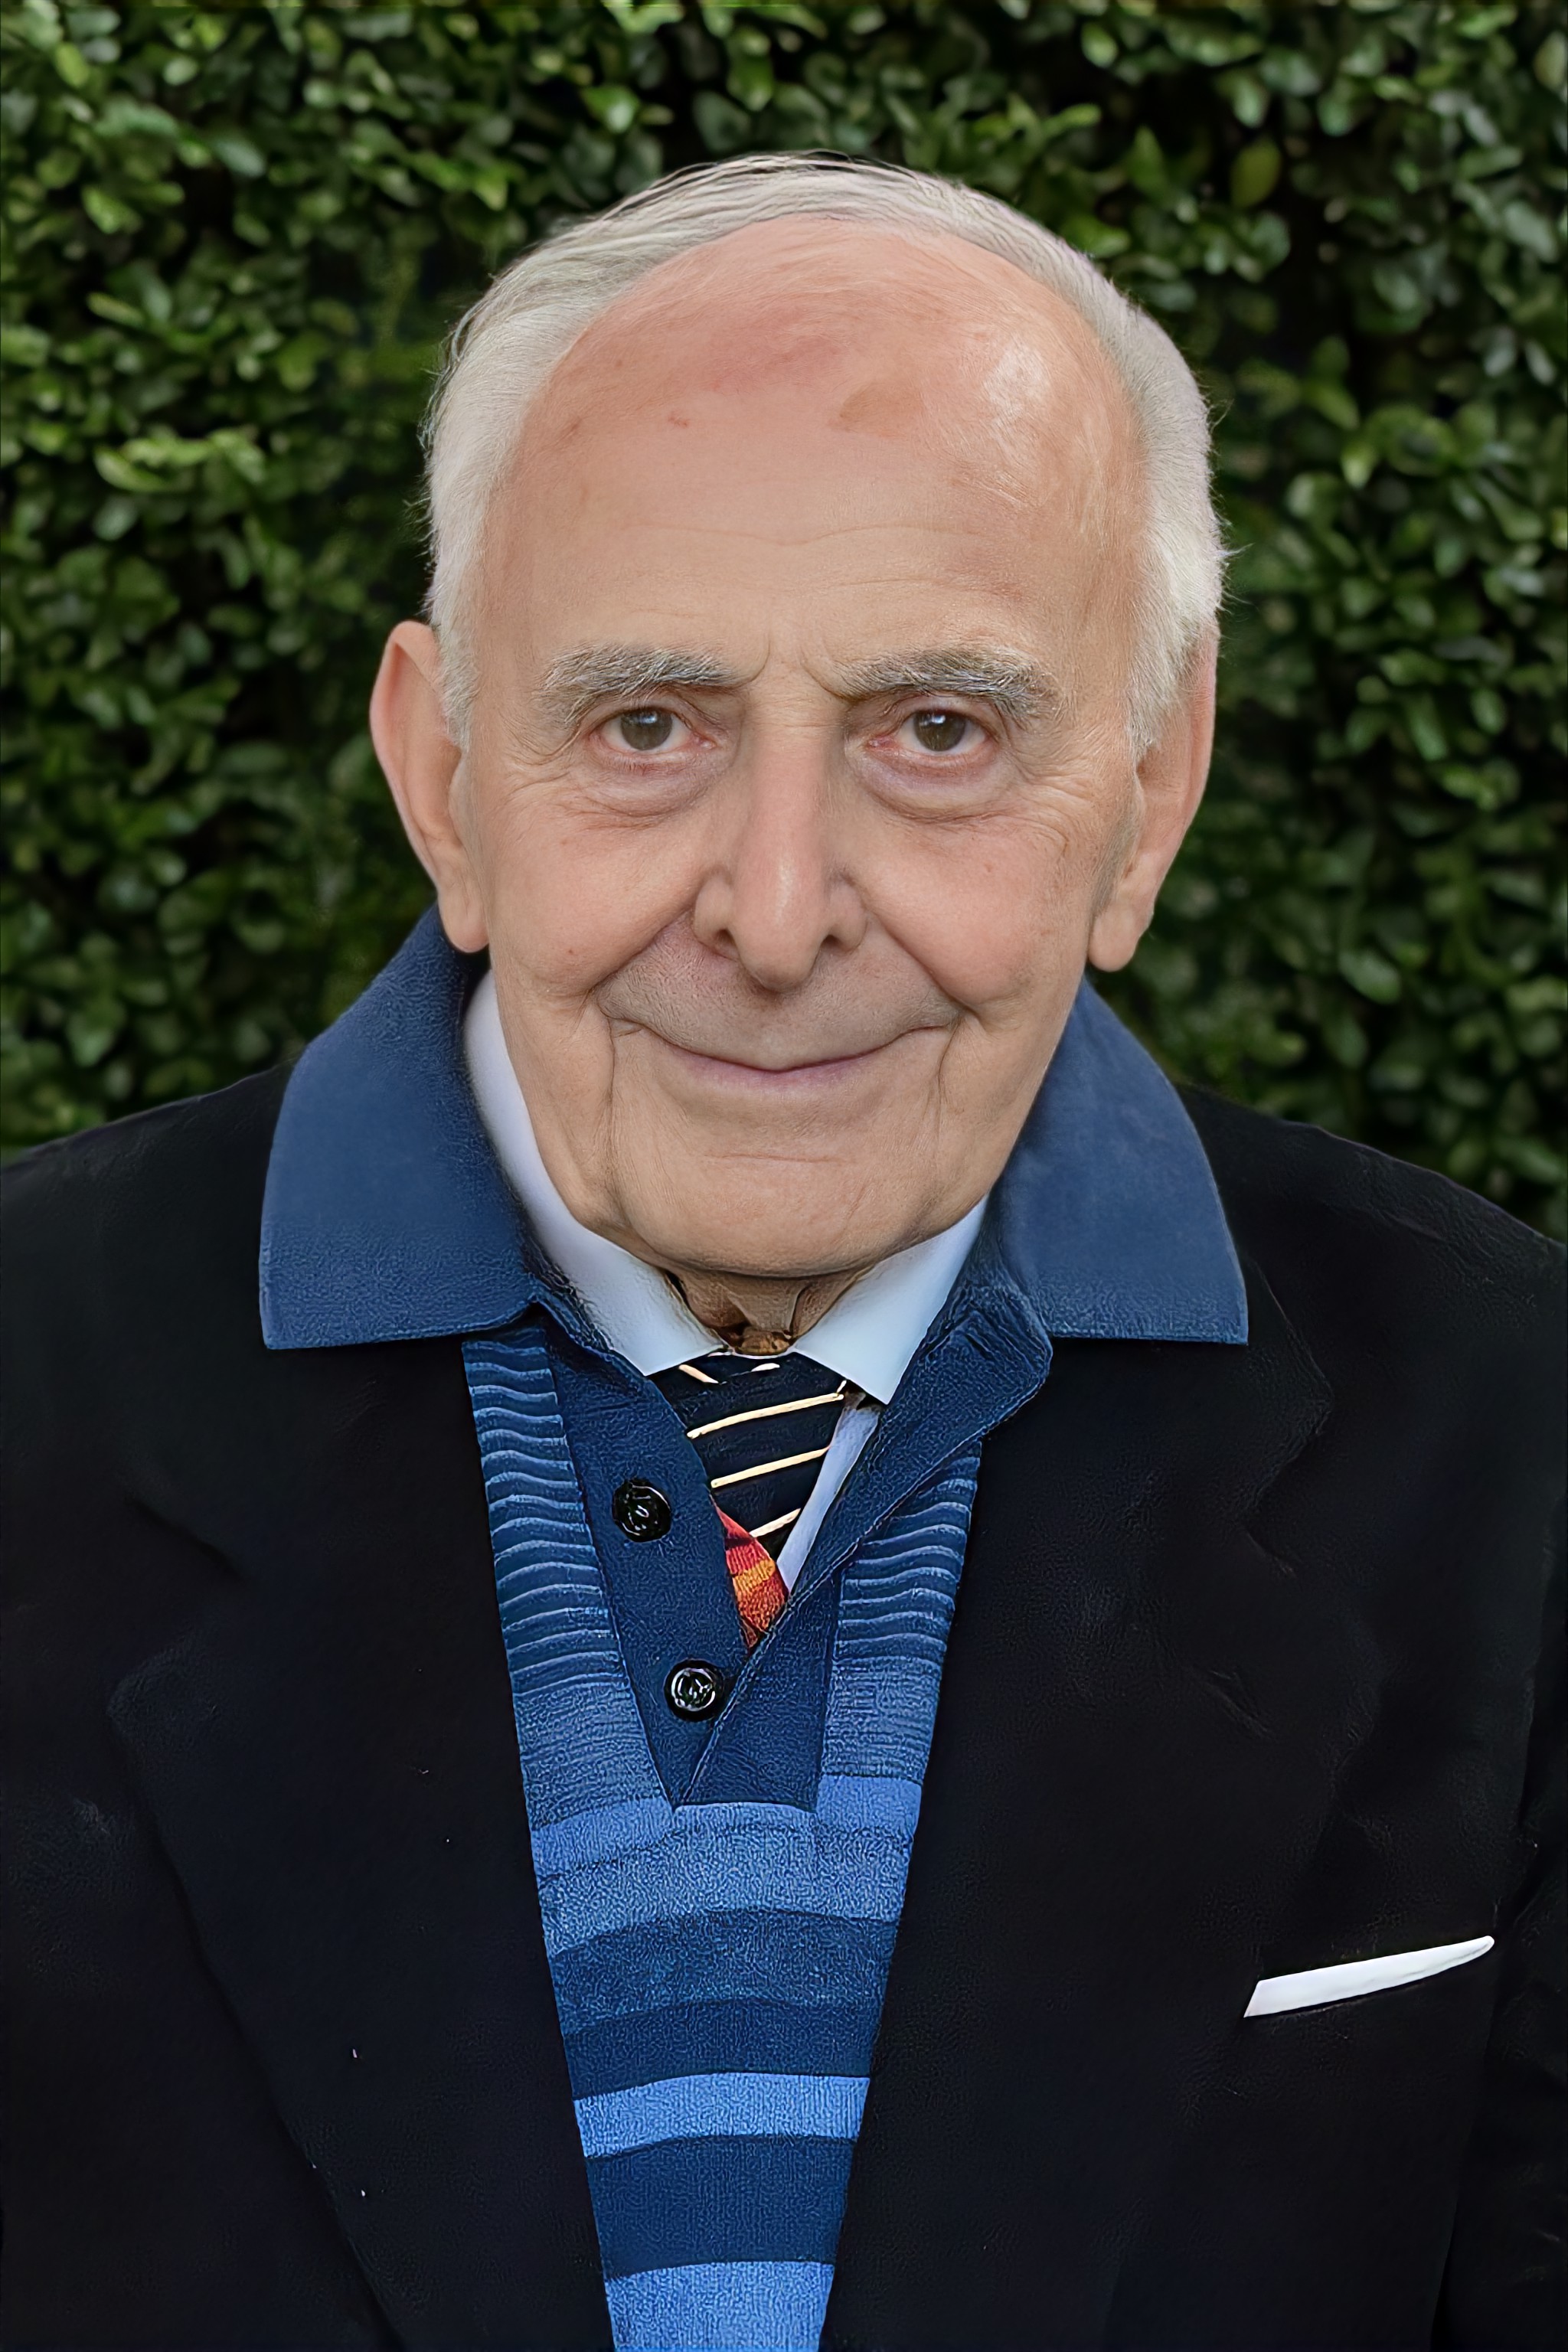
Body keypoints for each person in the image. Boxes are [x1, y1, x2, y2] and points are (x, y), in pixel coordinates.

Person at [3, 154, 1561, 2352]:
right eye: (649, 725)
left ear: (1149, 788)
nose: (775, 910)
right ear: (443, 777)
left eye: (940, 732)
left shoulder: (1519, 1439)